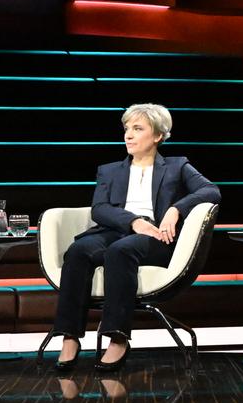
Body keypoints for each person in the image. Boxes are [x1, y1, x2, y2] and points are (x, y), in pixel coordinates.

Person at [51, 103, 219, 373]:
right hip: (115, 229)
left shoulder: (177, 166)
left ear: (157, 136)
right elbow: (100, 209)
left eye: (137, 129)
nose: (128, 135)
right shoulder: (109, 170)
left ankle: (118, 337)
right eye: (127, 128)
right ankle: (70, 336)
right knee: (78, 251)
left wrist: (176, 209)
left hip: (155, 236)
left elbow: (211, 191)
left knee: (120, 251)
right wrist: (133, 221)